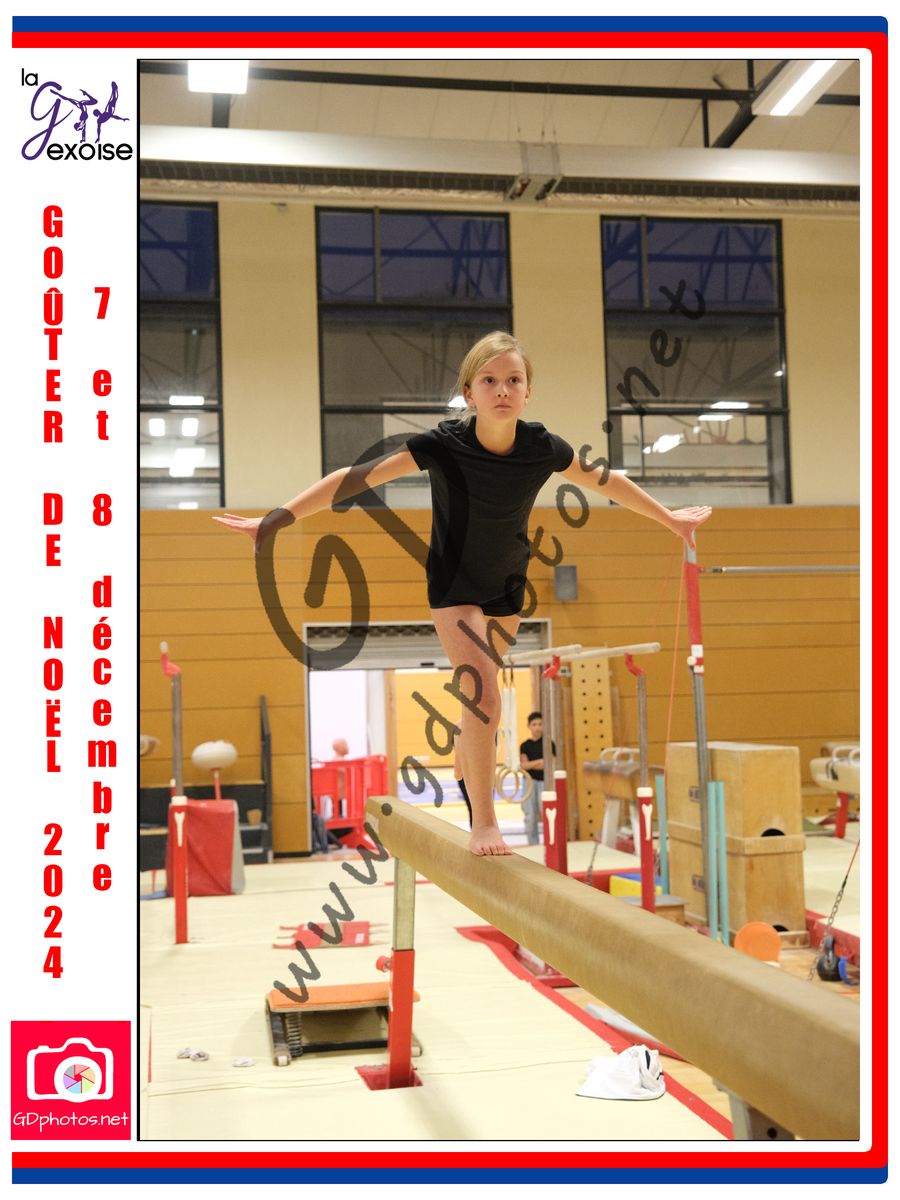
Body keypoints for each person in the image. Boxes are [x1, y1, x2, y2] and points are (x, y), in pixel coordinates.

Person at [214, 331, 711, 857]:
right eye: (489, 381)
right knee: (485, 697)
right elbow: (353, 479)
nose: (503, 390)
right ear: (469, 392)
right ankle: (485, 824)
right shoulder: (444, 444)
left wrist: (670, 518)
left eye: (513, 380)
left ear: (528, 392)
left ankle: (463, 744)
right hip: (454, 586)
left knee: (479, 698)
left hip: (508, 584)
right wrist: (275, 519)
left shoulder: (542, 447)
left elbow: (606, 481)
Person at [519, 711, 554, 845]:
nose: (537, 727)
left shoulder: (549, 743)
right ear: (529, 726)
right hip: (529, 782)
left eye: (540, 724)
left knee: (547, 813)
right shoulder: (525, 745)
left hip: (545, 782)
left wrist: (532, 764)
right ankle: (532, 844)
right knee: (530, 815)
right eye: (534, 724)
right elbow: (524, 765)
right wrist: (539, 761)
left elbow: (548, 764)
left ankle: (549, 843)